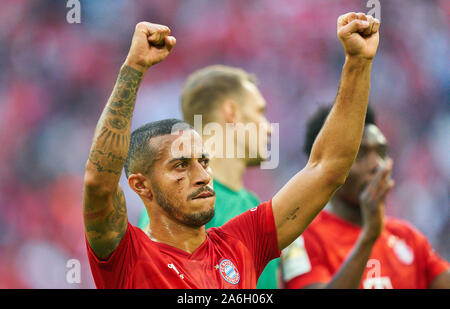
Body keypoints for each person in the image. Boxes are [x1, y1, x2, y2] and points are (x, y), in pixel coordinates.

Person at [83, 12, 381, 288]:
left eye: (203, 161)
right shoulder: (128, 257)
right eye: (180, 165)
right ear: (141, 186)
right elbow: (98, 182)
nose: (202, 176)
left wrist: (357, 62)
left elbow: (327, 168)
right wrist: (133, 69)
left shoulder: (242, 241)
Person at [137, 64, 279, 288]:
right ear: (231, 111)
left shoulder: (252, 204)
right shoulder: (180, 200)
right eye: (260, 113)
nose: (269, 128)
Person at [280, 105, 450, 289]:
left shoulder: (408, 238)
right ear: (326, 167)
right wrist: (369, 237)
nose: (377, 165)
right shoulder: (302, 239)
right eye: (359, 153)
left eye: (382, 152)